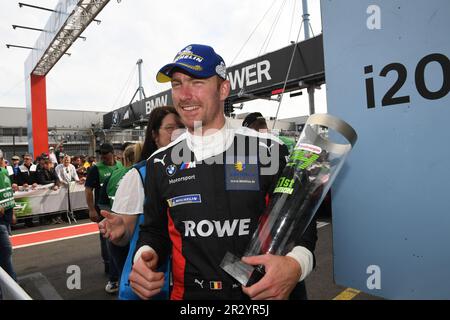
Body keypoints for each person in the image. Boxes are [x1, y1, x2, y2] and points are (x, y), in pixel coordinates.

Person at [129, 44, 317, 300]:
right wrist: (144, 256)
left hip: (262, 294)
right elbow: (154, 230)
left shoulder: (268, 150)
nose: (184, 95)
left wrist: (296, 265)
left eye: (196, 82)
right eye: (176, 83)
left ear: (223, 89)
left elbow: (300, 221)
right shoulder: (159, 162)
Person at [98, 106, 184, 300]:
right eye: (170, 128)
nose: (178, 133)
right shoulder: (138, 175)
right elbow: (123, 237)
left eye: (182, 127)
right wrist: (121, 232)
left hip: (186, 287)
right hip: (148, 287)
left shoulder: (195, 171)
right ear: (154, 134)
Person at [97, 143, 138, 295]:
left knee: (121, 268)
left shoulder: (114, 175)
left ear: (124, 158)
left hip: (116, 228)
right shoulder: (145, 173)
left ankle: (116, 282)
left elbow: (102, 201)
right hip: (139, 230)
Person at [85, 142, 123, 293]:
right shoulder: (95, 169)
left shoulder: (120, 166)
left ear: (112, 153)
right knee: (106, 240)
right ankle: (109, 266)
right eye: (101, 154)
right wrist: (91, 209)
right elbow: (88, 190)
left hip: (120, 210)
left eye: (106, 154)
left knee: (118, 241)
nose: (103, 157)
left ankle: (116, 269)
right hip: (103, 211)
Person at [0, 150, 17, 282]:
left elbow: (8, 193)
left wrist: (13, 212)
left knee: (5, 253)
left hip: (6, 217)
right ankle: (12, 284)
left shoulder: (5, 172)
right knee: (6, 251)